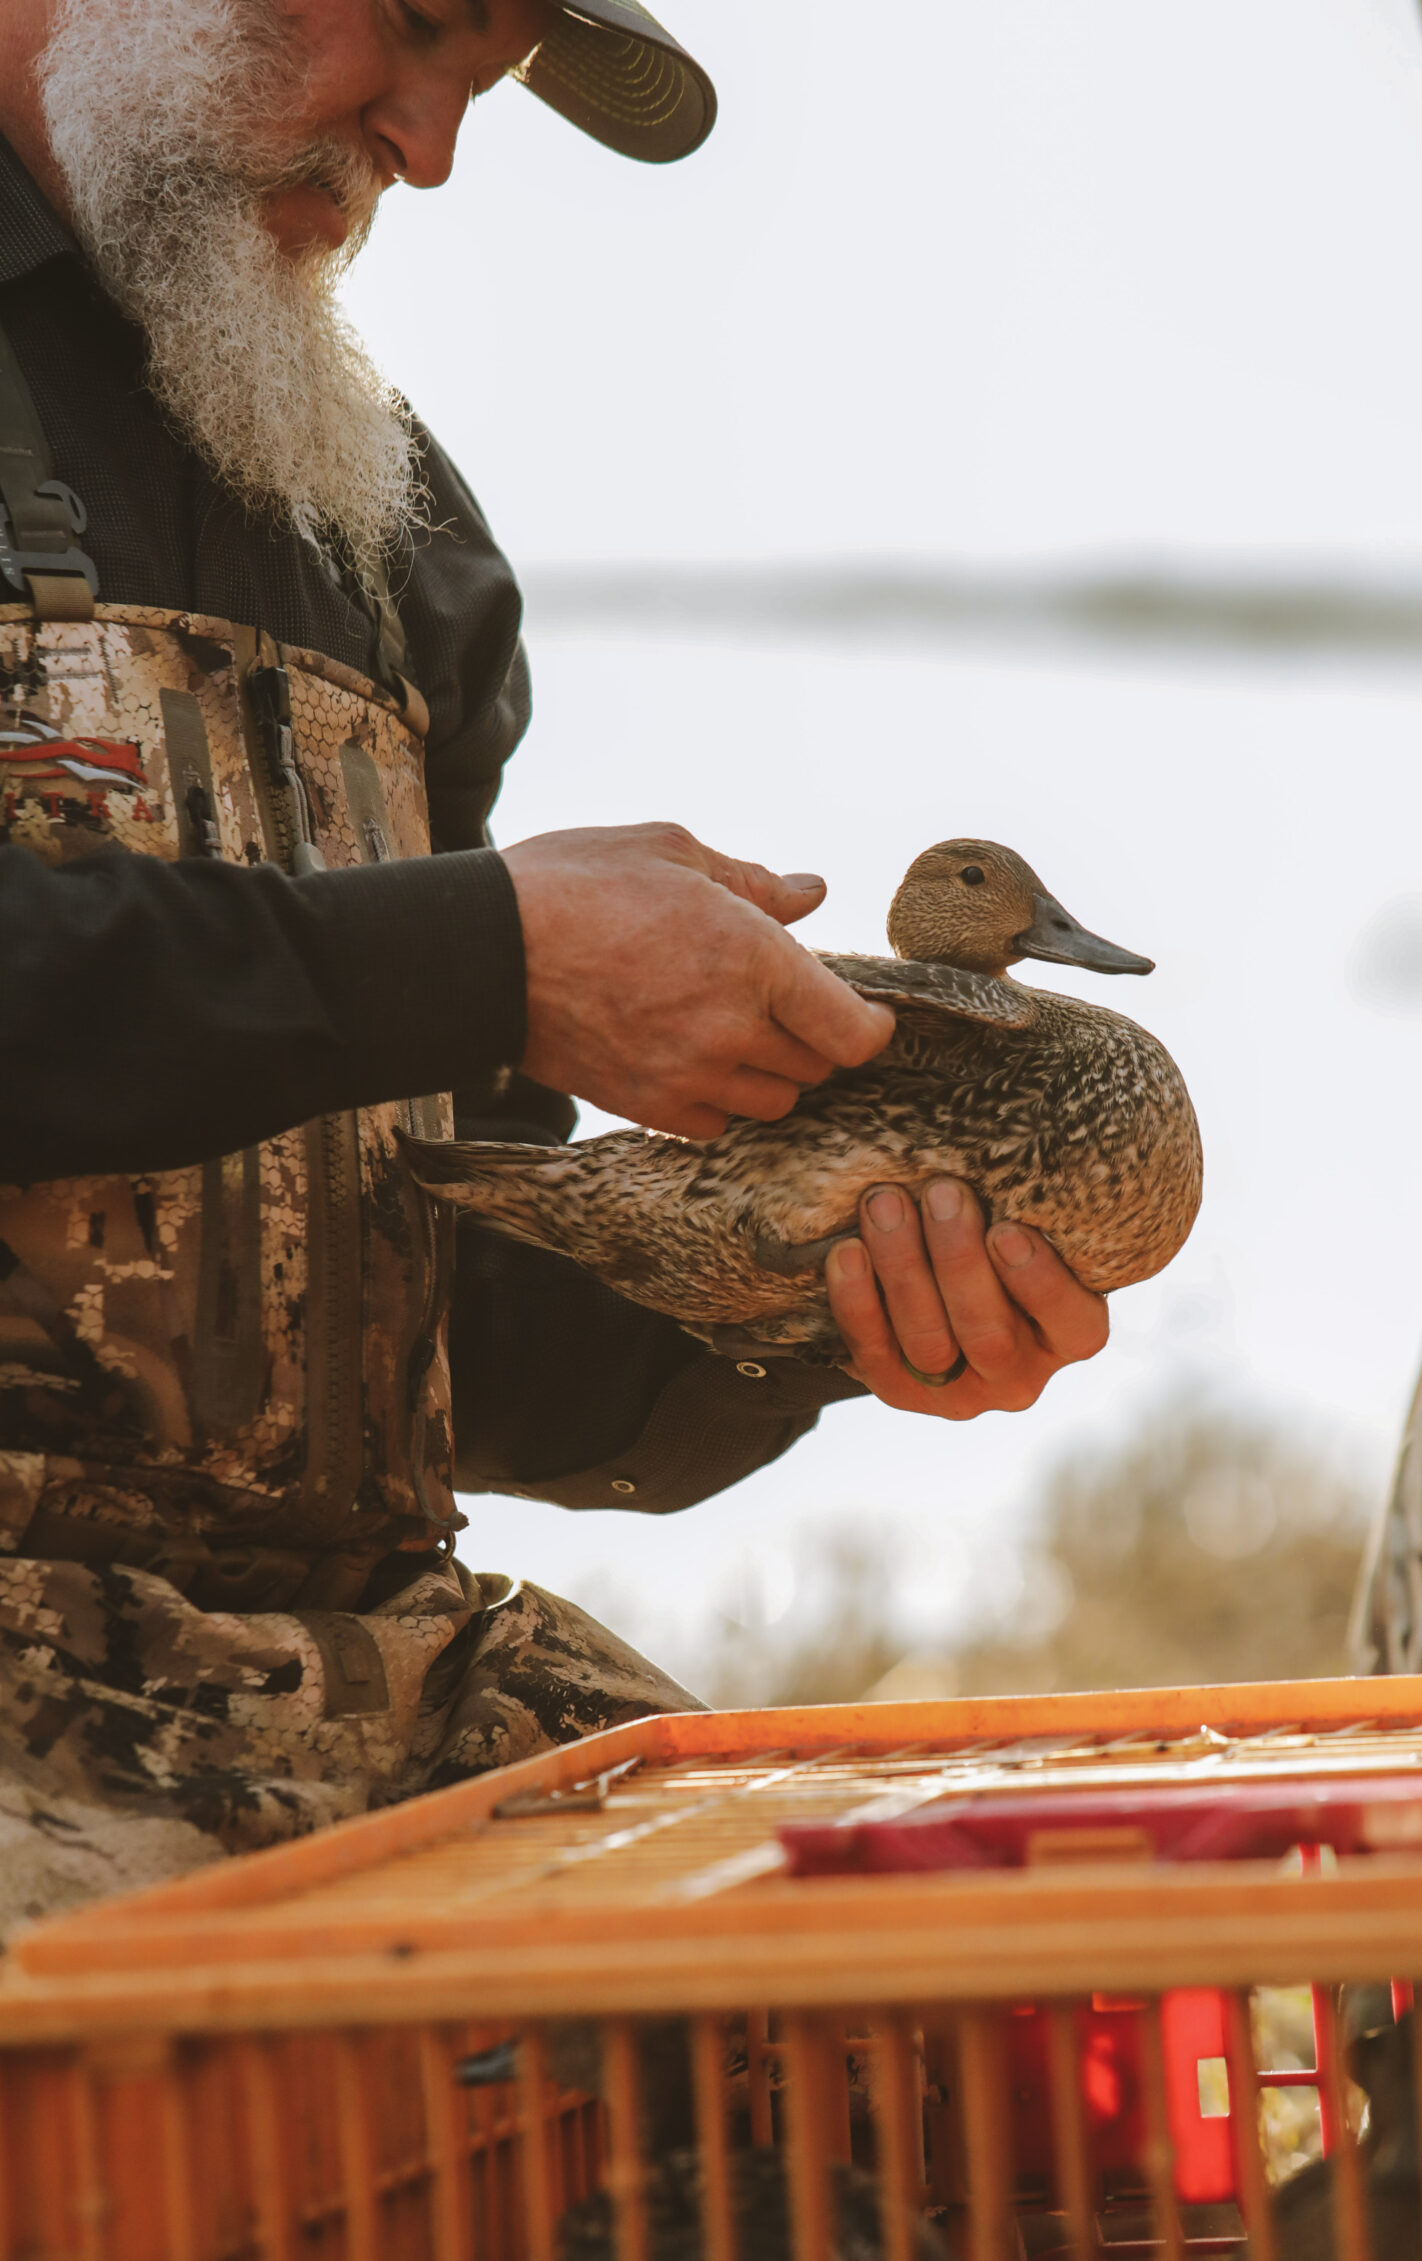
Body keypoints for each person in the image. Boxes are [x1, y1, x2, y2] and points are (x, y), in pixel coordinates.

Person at [0, 0, 1112, 1928]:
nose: (425, 148)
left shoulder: (382, 525)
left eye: (489, 85)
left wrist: (812, 1288)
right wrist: (487, 954)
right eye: (415, 26)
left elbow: (452, 1341)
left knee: (938, 2018)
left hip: (358, 1704)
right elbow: (429, 978)